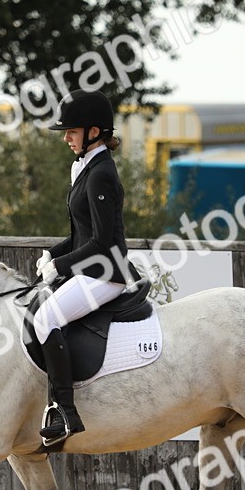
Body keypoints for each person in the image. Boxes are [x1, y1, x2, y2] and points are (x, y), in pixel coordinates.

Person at [35, 89, 139, 446]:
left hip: (106, 273)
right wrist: (54, 255)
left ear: (94, 132)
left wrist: (62, 265)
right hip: (90, 267)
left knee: (45, 318)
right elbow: (80, 235)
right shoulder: (84, 167)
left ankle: (65, 410)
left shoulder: (100, 174)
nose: (65, 138)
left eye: (71, 131)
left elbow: (103, 242)